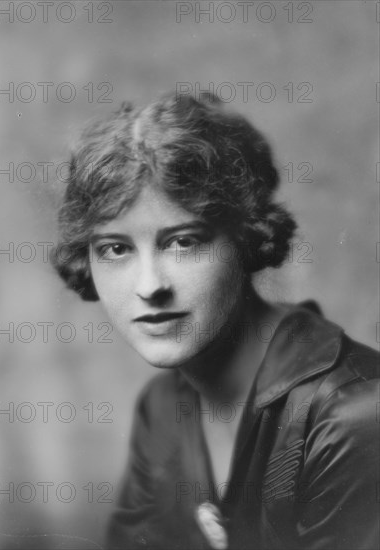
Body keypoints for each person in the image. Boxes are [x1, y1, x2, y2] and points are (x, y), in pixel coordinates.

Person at [51, 92, 380, 550]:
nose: (150, 286)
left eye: (183, 241)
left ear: (246, 237)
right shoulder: (163, 407)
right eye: (115, 249)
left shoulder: (357, 415)